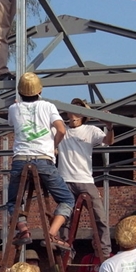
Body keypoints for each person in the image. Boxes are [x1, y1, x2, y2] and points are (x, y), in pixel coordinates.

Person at [7, 72, 74, 249]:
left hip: (20, 160)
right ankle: (51, 234)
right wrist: (53, 146)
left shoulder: (13, 109)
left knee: (14, 201)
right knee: (67, 199)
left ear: (20, 92)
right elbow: (61, 130)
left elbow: (12, 123)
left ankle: (23, 229)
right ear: (40, 90)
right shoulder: (48, 106)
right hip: (43, 160)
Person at [56, 97, 114, 258]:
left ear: (82, 114)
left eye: (77, 110)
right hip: (66, 180)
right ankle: (66, 249)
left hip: (85, 180)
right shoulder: (61, 129)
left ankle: (105, 251)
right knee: (65, 217)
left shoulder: (90, 130)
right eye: (71, 109)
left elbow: (108, 141)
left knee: (99, 217)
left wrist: (109, 126)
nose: (73, 113)